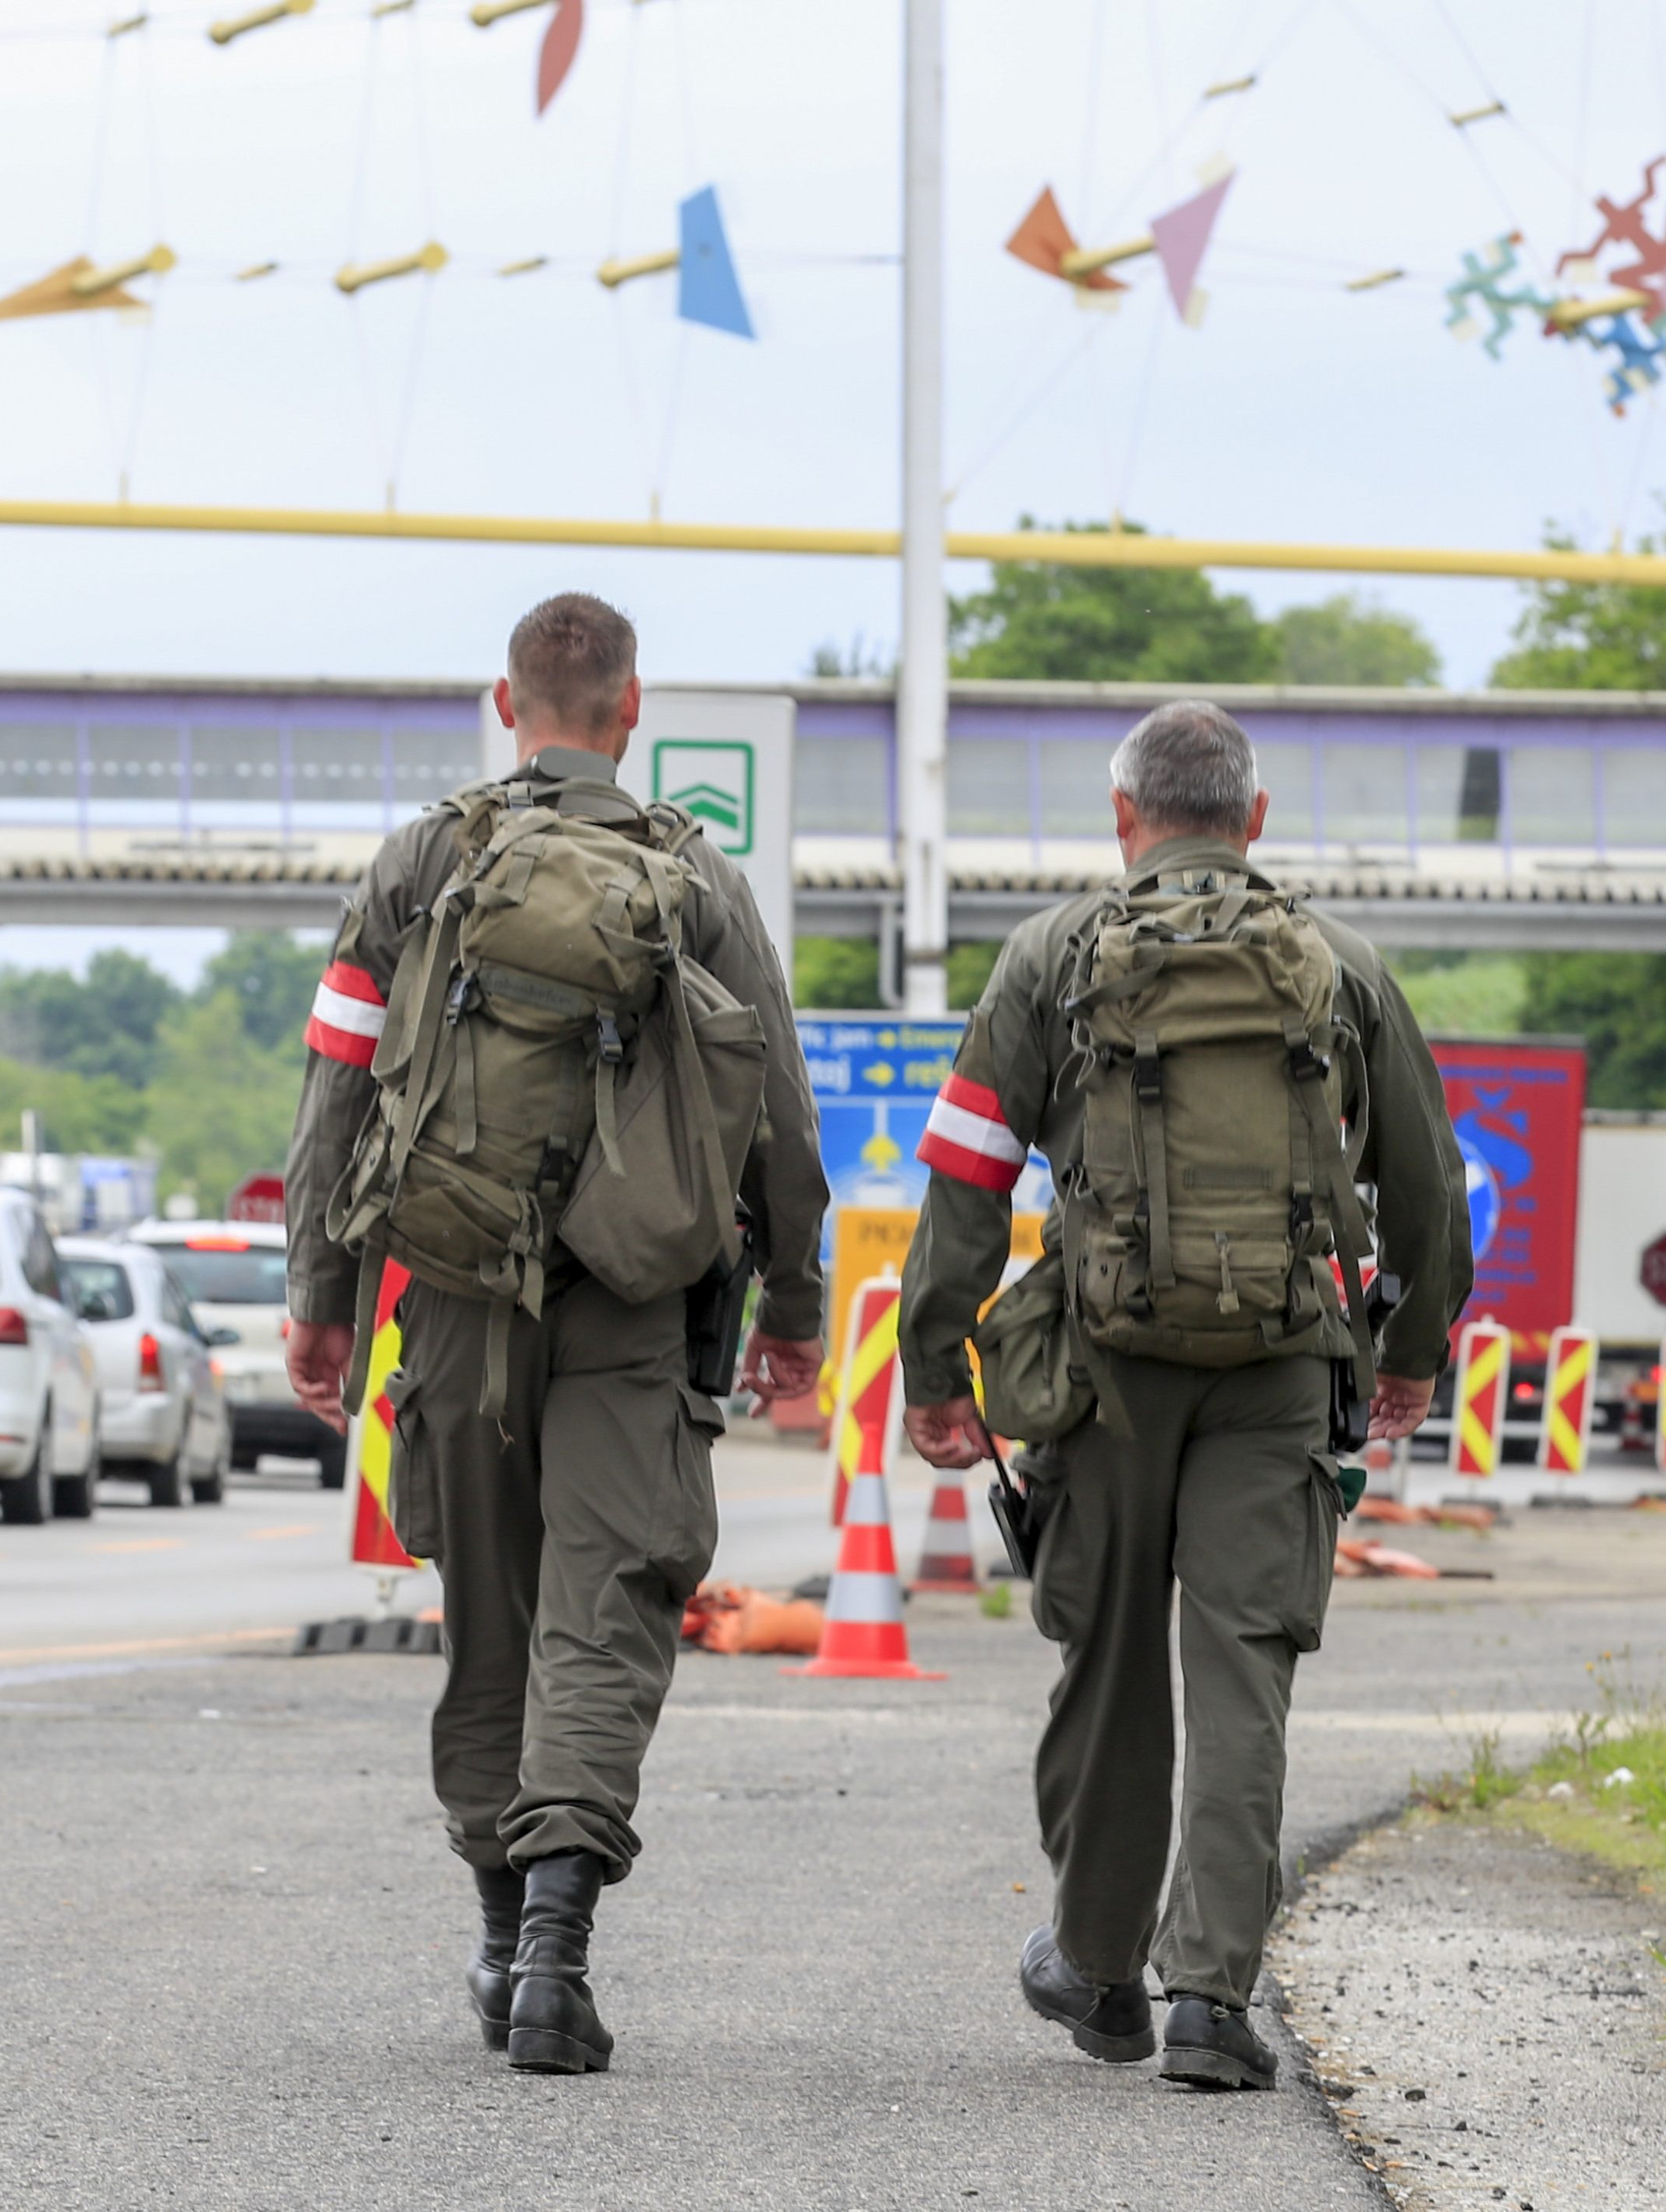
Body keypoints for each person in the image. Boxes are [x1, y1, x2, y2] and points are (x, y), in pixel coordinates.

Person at [284, 591, 830, 2075]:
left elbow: (337, 1086)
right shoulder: (696, 876)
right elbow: (774, 1099)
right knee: (609, 1608)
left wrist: (324, 1304)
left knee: (491, 1618)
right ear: (631, 709)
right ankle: (554, 1951)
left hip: (453, 1288)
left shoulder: (421, 862)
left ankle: (490, 1923)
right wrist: (794, 1303)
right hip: (639, 1306)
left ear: (504, 702)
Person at [897, 699, 1470, 2093]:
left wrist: (937, 1368)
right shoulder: (1339, 965)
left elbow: (968, 1177)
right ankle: (1212, 1997)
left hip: (1103, 1366)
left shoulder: (1051, 956)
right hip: (1279, 1371)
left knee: (1106, 1668)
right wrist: (1408, 1356)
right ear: (1254, 820)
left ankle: (1098, 1972)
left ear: (1123, 819)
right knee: (1242, 1674)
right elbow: (1428, 1188)